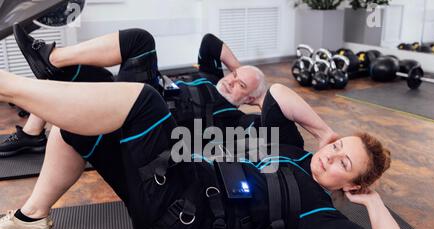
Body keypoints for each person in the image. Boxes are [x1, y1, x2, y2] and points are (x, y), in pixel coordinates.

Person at [0, 27, 408, 229]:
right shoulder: (290, 147)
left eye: (343, 163)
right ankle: (32, 217)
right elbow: (279, 93)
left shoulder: (319, 212)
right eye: (337, 148)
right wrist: (323, 131)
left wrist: (373, 203)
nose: (330, 156)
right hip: (174, 187)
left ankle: (6, 84)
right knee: (79, 120)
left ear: (352, 183)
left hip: (186, 225)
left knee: (145, 102)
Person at [0, 25, 266, 157]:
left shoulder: (234, 118)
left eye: (240, 85)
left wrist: (262, 99)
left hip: (147, 121)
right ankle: (32, 134)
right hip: (139, 96)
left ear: (250, 99)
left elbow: (272, 127)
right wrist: (240, 72)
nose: (231, 81)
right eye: (233, 76)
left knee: (140, 41)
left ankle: (49, 57)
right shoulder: (213, 75)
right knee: (78, 70)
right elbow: (210, 41)